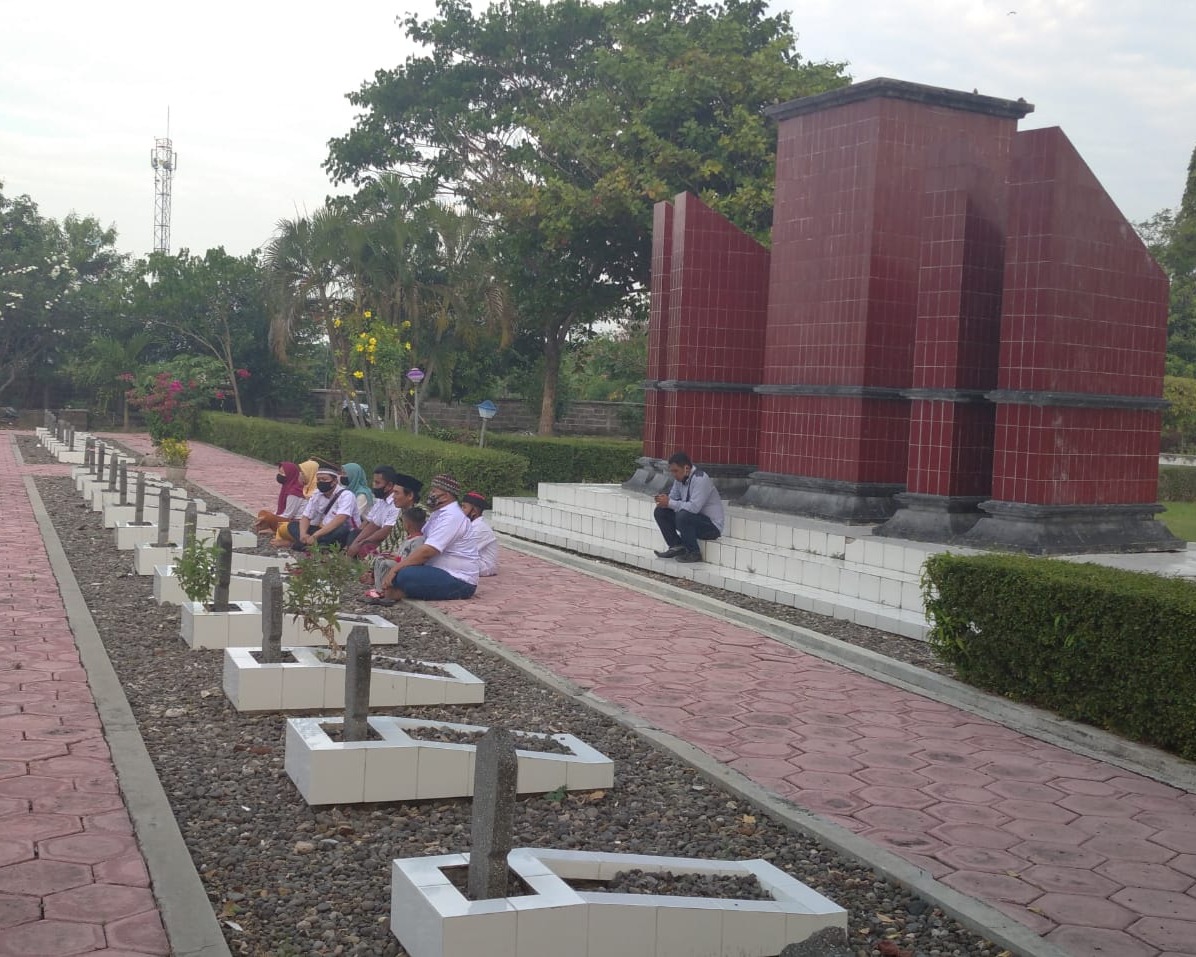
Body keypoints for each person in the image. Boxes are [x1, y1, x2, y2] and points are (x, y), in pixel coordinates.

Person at [379, 473, 480, 601]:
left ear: (446, 495)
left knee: (404, 575)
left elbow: (427, 551)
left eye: (434, 491)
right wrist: (400, 559)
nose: (430, 494)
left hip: (459, 579)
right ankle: (395, 592)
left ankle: (399, 593)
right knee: (392, 566)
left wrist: (397, 568)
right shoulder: (437, 514)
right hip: (437, 570)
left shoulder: (452, 517)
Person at [653, 451, 724, 563]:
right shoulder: (679, 480)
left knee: (683, 515)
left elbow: (694, 508)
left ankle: (694, 553)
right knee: (661, 511)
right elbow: (673, 498)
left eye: (676, 471)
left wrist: (669, 502)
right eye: (672, 471)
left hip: (711, 527)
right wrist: (664, 501)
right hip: (692, 520)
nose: (674, 474)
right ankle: (676, 546)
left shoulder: (700, 479)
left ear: (686, 468)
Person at [288, 463, 359, 551]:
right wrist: (303, 534)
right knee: (293, 525)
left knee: (343, 528)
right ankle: (315, 545)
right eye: (318, 480)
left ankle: (308, 545)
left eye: (324, 479)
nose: (321, 482)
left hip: (338, 531)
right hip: (322, 530)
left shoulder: (347, 495)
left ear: (334, 481)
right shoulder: (317, 494)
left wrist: (315, 535)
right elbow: (306, 516)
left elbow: (341, 518)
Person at [363, 508, 427, 605]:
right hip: (400, 562)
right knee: (379, 559)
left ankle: (384, 591)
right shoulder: (408, 538)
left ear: (408, 524)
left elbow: (414, 558)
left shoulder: (418, 540)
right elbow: (401, 554)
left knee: (386, 564)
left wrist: (397, 559)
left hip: (407, 566)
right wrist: (392, 555)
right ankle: (378, 588)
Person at [346, 465, 400, 559]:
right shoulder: (381, 500)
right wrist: (356, 543)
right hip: (375, 535)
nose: (373, 485)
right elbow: (373, 524)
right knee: (354, 535)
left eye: (377, 483)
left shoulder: (396, 504)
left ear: (390, 485)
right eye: (374, 482)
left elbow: (386, 531)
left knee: (365, 547)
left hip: (389, 541)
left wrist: (362, 543)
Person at [253, 461, 307, 546]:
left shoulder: (294, 492)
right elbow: (280, 511)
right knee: (263, 512)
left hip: (294, 521)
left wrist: (268, 518)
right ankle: (272, 528)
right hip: (287, 518)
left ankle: (273, 529)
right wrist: (266, 517)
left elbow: (288, 515)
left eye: (282, 473)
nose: (280, 475)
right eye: (279, 472)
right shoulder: (287, 487)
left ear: (290, 474)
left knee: (267, 517)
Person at [461, 491, 498, 577]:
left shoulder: (480, 528)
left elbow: (463, 550)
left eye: (464, 507)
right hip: (472, 561)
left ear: (474, 511)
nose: (461, 511)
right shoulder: (470, 525)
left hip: (484, 566)